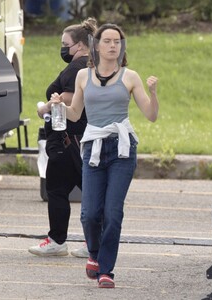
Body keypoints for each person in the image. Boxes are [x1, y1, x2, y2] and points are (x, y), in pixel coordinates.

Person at [50, 23, 159, 288]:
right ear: (96, 45)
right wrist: (58, 106)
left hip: (122, 149)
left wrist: (153, 92)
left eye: (117, 41)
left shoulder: (130, 76)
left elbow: (151, 115)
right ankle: (95, 255)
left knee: (112, 212)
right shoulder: (83, 77)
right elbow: (76, 114)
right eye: (108, 41)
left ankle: (106, 270)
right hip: (93, 149)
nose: (113, 46)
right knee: (89, 214)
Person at [28, 17, 97, 257]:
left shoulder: (77, 68)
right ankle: (71, 240)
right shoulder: (88, 65)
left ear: (79, 44)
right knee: (70, 189)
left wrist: (44, 108)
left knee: (67, 190)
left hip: (70, 139)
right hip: (74, 137)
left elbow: (67, 98)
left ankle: (63, 241)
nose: (63, 47)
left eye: (65, 43)